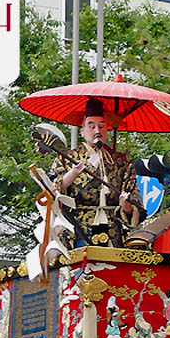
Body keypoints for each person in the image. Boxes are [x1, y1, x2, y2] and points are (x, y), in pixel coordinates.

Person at [48, 97, 145, 247]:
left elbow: (134, 196)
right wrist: (72, 174)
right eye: (91, 126)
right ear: (82, 131)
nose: (97, 131)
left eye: (101, 126)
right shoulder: (67, 158)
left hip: (113, 228)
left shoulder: (121, 161)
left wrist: (127, 206)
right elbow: (52, 191)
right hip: (78, 227)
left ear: (107, 129)